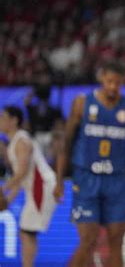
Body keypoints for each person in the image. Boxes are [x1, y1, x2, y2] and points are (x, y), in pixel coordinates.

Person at [53, 61, 125, 267]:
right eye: (109, 81)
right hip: (86, 178)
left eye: (118, 83)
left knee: (116, 240)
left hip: (117, 180)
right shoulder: (82, 103)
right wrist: (59, 179)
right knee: (88, 239)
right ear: (101, 78)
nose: (113, 87)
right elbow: (66, 143)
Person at [0, 105, 57, 267]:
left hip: (42, 187)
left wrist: (3, 189)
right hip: (36, 189)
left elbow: (22, 172)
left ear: (14, 120)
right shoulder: (14, 143)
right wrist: (8, 200)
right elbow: (20, 181)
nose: (0, 121)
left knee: (27, 232)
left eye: (3, 117)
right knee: (26, 232)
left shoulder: (21, 141)